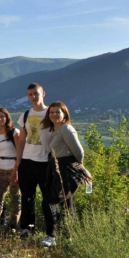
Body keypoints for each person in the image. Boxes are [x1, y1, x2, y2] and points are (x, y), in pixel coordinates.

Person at [38, 101, 87, 247]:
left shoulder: (66, 129)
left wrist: (80, 167)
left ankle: (51, 236)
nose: (54, 115)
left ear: (64, 113)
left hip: (67, 168)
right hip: (57, 166)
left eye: (57, 112)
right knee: (67, 204)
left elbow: (79, 152)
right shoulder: (56, 129)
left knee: (49, 201)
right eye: (51, 112)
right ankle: (67, 236)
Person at [12, 83, 52, 239]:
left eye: (36, 93)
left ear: (43, 93)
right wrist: (18, 162)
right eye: (30, 94)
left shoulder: (51, 113)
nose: (33, 97)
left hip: (45, 162)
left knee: (48, 199)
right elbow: (21, 140)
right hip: (27, 161)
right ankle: (27, 229)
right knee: (27, 197)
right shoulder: (25, 115)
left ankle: (51, 233)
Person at [0, 108, 21, 231]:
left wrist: (16, 170)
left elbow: (19, 152)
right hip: (2, 170)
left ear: (7, 117)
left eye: (2, 117)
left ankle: (12, 225)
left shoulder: (14, 132)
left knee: (15, 199)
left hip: (13, 169)